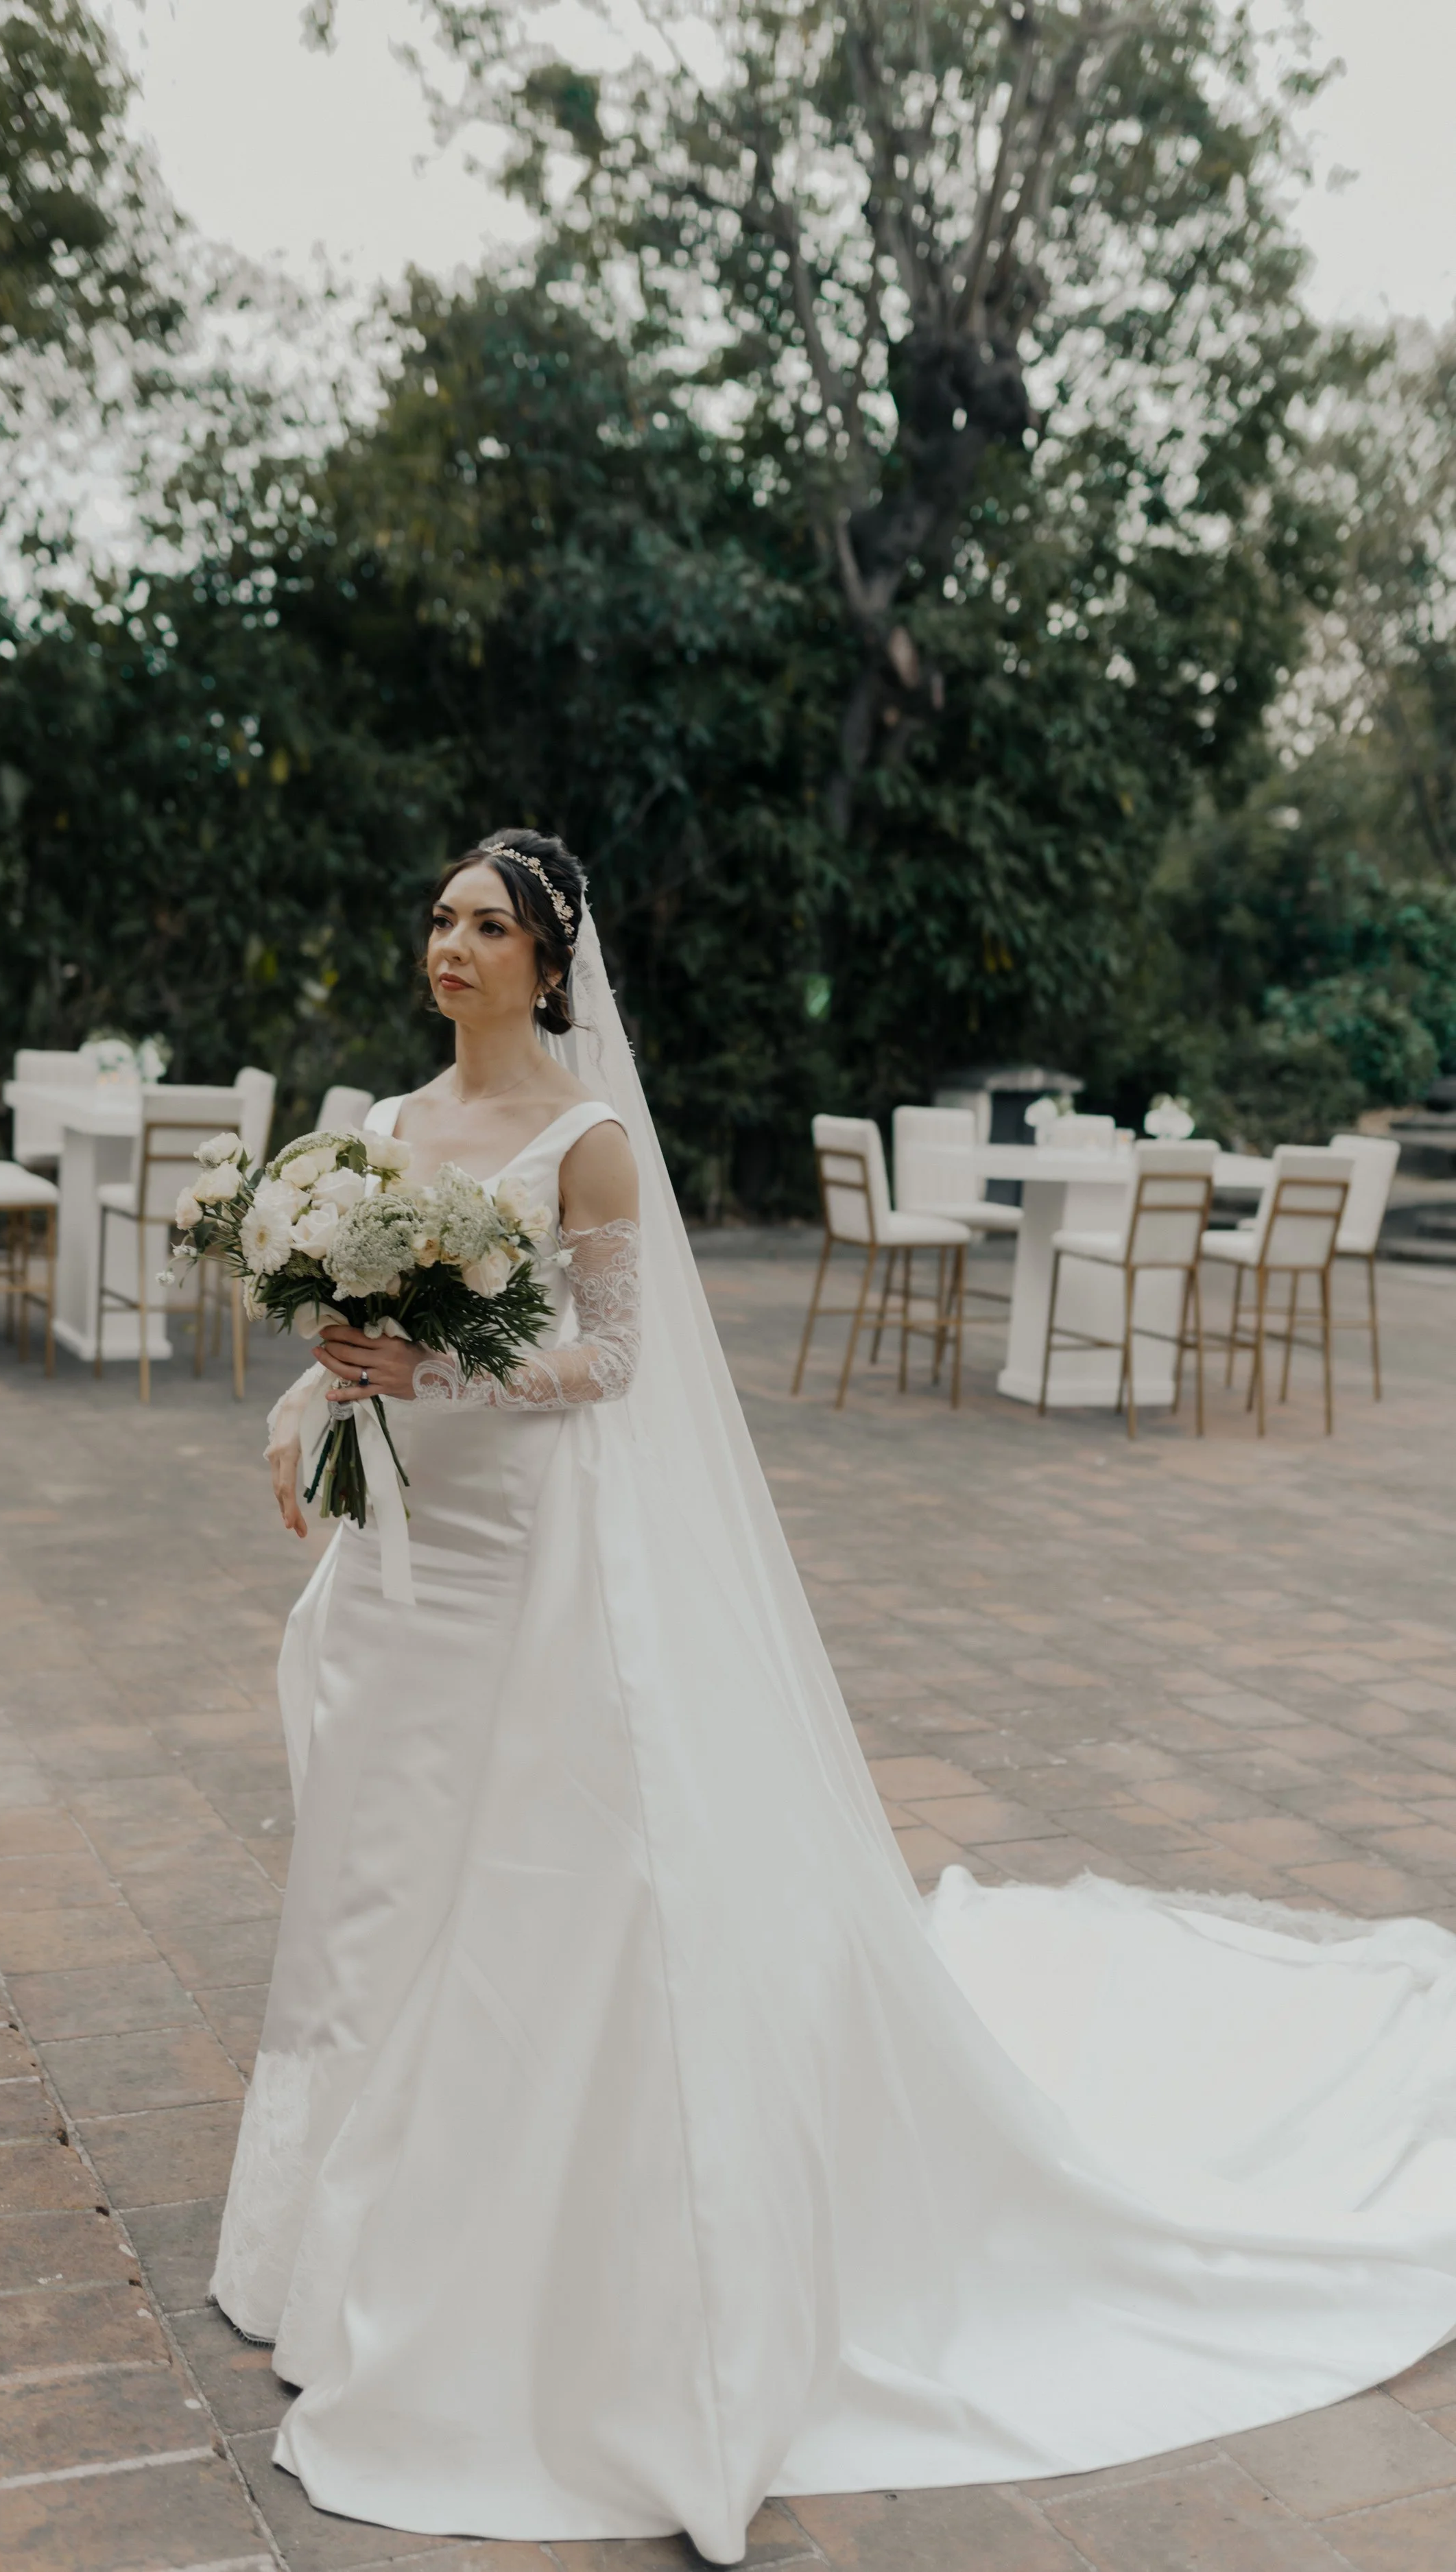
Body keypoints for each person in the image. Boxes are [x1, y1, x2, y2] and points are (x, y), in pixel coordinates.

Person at [211, 829, 1456, 2564]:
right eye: (436, 917)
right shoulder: (386, 1130)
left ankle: (474, 2264)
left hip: (524, 1560)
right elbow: (334, 1320)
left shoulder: (591, 1144)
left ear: (549, 963)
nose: (451, 944)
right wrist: (309, 1406)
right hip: (396, 1556)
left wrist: (436, 1368)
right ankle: (324, 2242)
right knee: (368, 1879)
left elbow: (613, 1364)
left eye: (487, 925)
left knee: (513, 1891)